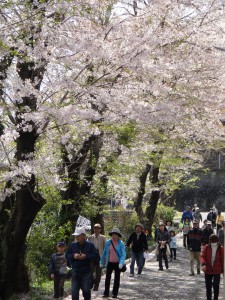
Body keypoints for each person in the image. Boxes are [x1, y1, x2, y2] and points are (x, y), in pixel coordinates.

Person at [66, 227, 99, 300]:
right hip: (75, 271)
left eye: (78, 235)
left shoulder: (90, 245)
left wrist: (86, 256)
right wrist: (73, 255)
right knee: (74, 291)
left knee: (86, 290)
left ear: (83, 235)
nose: (76, 237)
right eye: (75, 236)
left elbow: (96, 255)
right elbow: (67, 255)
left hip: (86, 271)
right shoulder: (72, 245)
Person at [100, 228, 126, 299]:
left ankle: (115, 293)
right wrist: (101, 262)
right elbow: (104, 253)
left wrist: (121, 263)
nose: (114, 236)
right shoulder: (108, 242)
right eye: (113, 235)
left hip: (118, 263)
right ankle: (106, 293)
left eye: (115, 235)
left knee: (117, 279)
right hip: (110, 263)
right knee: (107, 278)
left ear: (118, 236)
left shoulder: (121, 244)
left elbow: (123, 254)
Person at [201, 234, 224, 300]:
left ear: (217, 241)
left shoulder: (221, 248)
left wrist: (223, 269)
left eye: (215, 241)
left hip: (217, 269)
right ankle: (208, 298)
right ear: (210, 241)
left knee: (216, 285)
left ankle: (215, 298)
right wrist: (203, 264)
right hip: (208, 269)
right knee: (208, 286)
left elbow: (223, 259)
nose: (214, 243)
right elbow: (203, 256)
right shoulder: (206, 247)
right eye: (212, 241)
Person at [88, 223, 106, 291]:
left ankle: (96, 285)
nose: (97, 230)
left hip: (100, 255)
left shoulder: (103, 237)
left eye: (98, 228)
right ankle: (92, 282)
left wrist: (104, 258)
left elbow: (105, 248)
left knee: (99, 272)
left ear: (100, 230)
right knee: (90, 270)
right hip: (92, 256)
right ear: (93, 229)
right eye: (95, 228)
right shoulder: (90, 237)